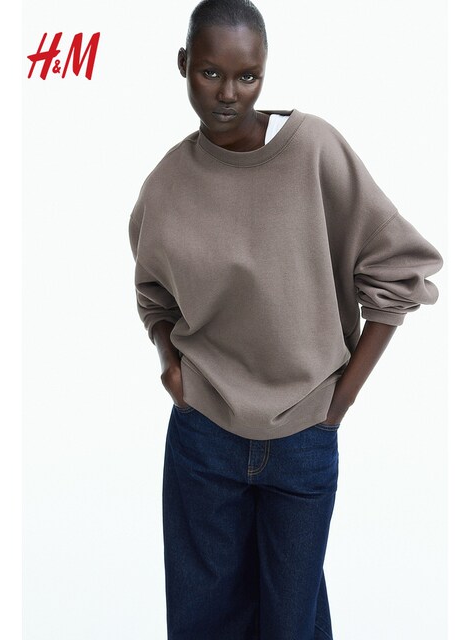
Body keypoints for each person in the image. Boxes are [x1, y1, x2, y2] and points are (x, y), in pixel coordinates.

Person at [128, 1, 443, 638]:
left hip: (303, 438)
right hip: (204, 435)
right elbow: (154, 293)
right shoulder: (166, 184)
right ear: (183, 65)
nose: (228, 93)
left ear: (265, 73)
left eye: (247, 76)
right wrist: (169, 362)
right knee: (202, 625)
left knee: (293, 625)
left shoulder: (313, 150)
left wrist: (340, 401)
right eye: (211, 73)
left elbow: (402, 270)